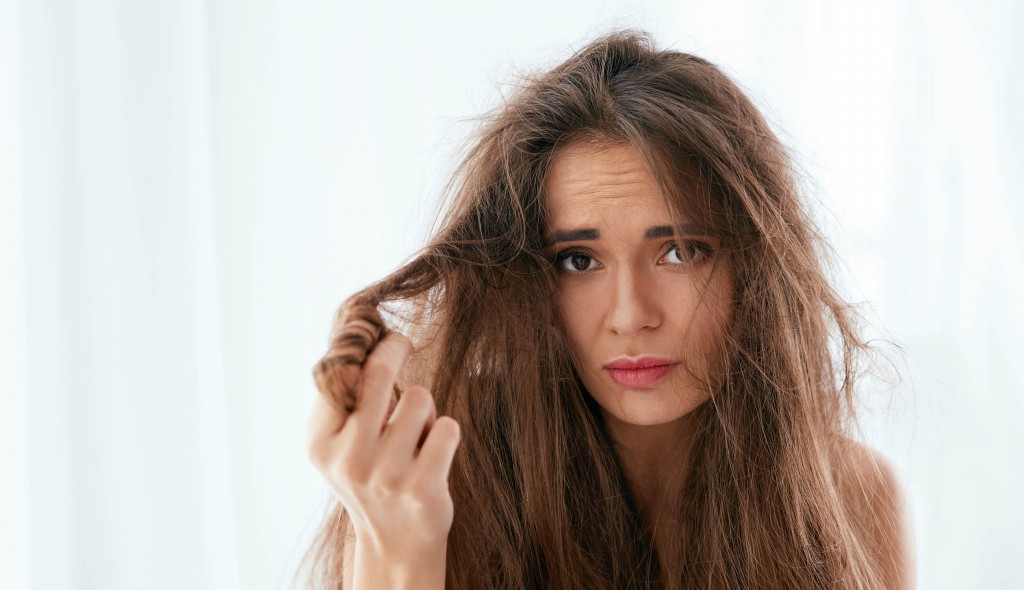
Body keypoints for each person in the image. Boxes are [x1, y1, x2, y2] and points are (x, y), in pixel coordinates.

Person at [298, 29, 913, 590]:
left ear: (756, 269)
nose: (629, 315)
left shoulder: (852, 497)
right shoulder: (431, 487)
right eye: (578, 261)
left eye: (680, 251)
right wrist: (400, 555)